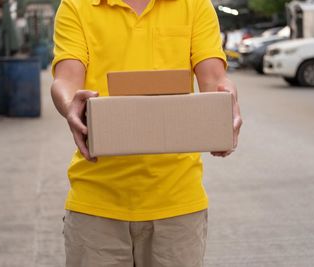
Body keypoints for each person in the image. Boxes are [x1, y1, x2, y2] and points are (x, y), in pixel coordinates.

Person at [51, 0, 242, 266]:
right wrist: (69, 103)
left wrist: (225, 104)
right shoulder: (78, 5)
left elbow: (214, 78)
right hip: (96, 203)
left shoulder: (194, 4)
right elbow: (66, 78)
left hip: (177, 203)